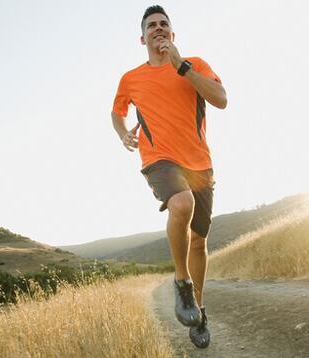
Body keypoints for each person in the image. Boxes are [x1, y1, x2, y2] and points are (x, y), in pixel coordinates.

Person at [111, 5, 227, 349]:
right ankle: (181, 283)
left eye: (164, 24)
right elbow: (117, 112)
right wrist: (122, 133)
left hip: (200, 164)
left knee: (199, 240)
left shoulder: (195, 63)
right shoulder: (131, 78)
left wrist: (183, 67)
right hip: (158, 159)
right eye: (152, 25)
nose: (158, 28)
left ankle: (198, 309)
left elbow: (220, 99)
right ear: (142, 36)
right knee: (181, 203)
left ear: (172, 34)